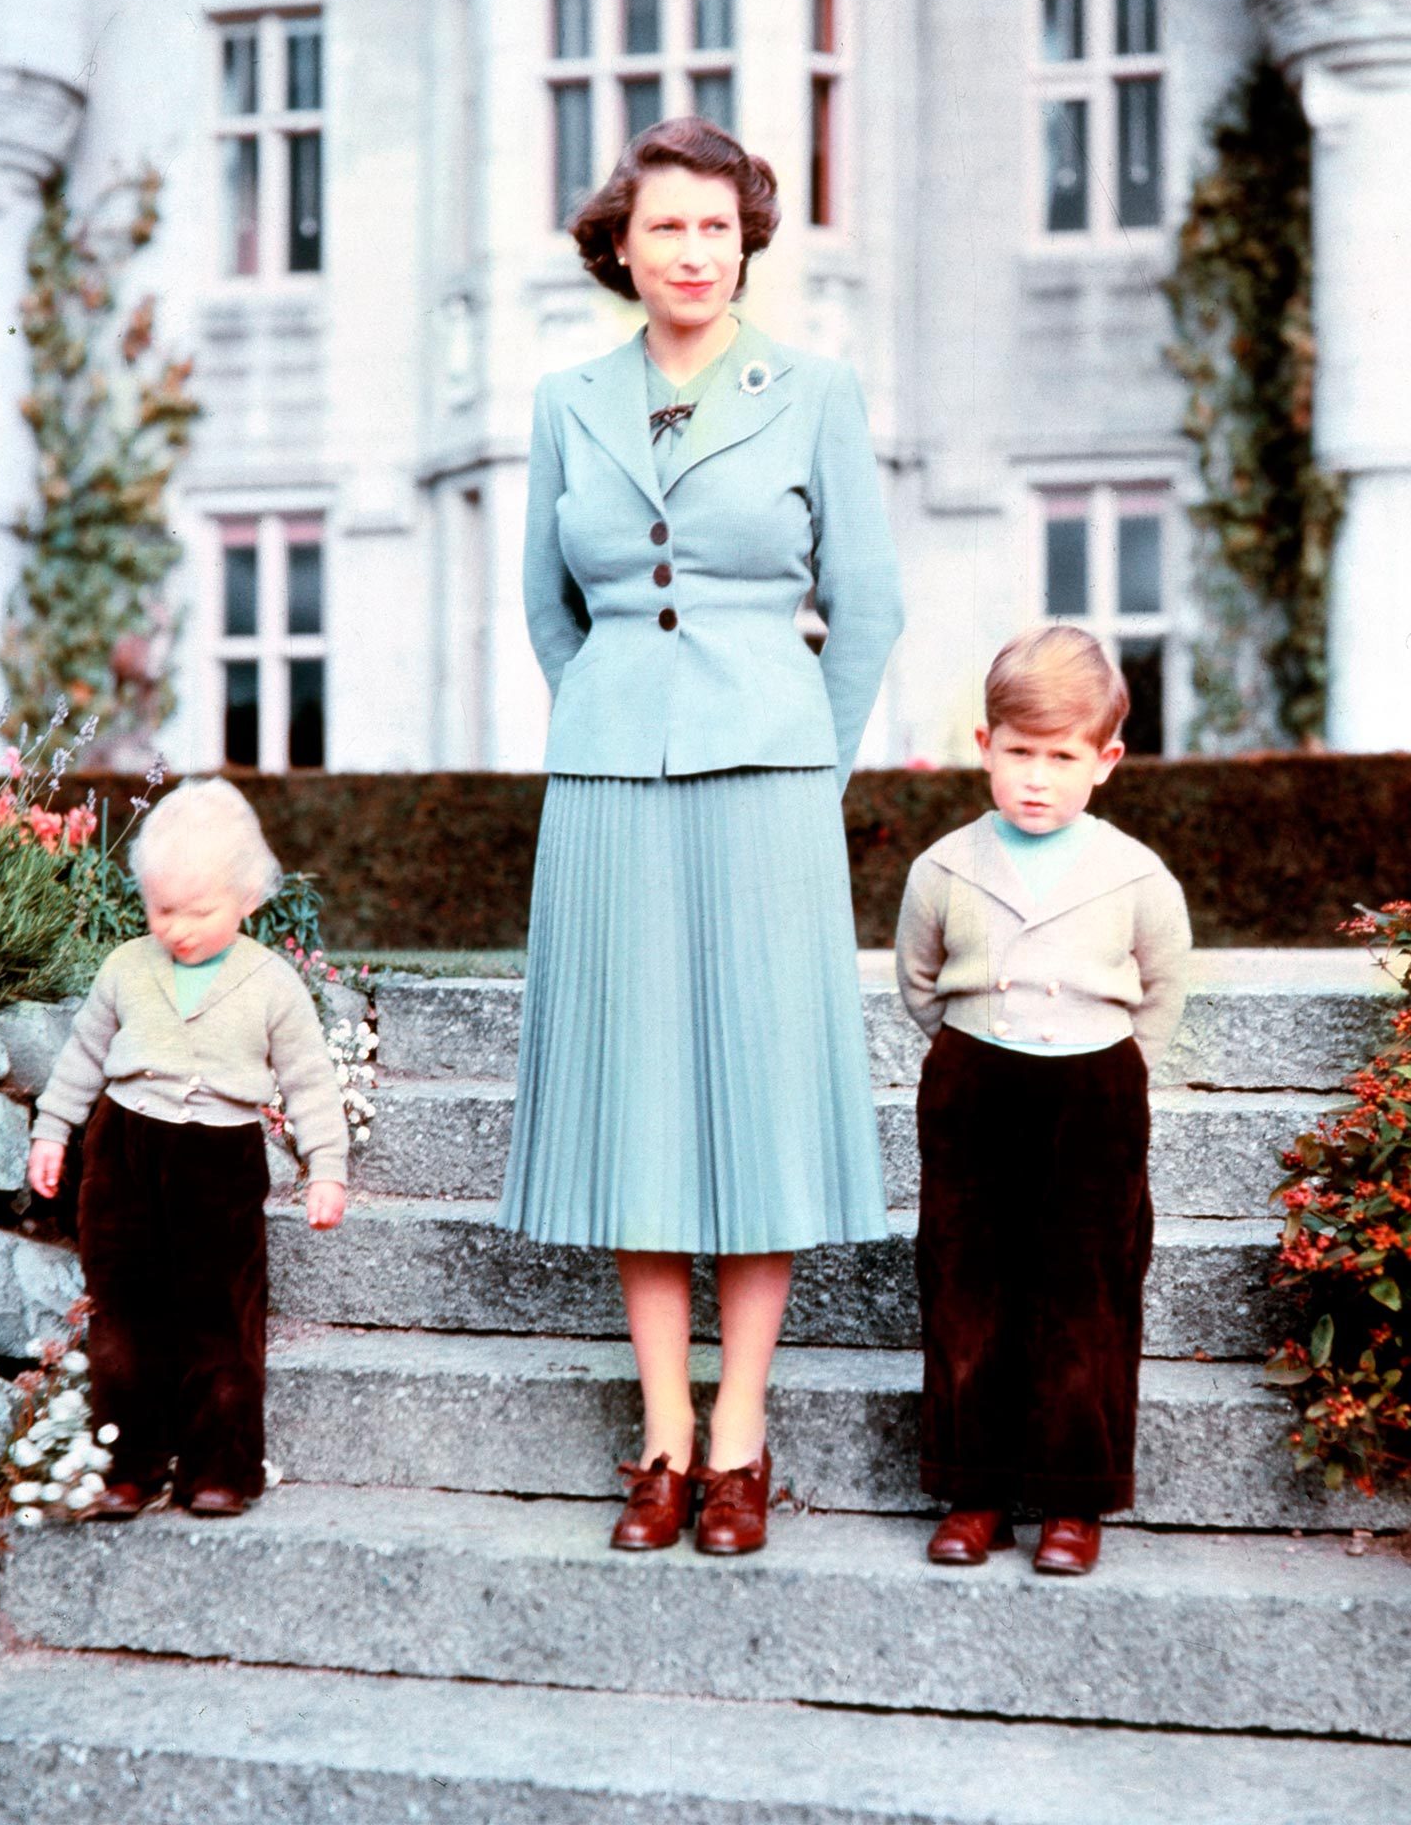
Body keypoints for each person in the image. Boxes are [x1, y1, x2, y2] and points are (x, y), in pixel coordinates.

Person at [496, 117, 903, 1556]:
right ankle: (661, 1438)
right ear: (619, 241)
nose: (693, 252)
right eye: (666, 226)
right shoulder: (565, 400)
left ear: (748, 245)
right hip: (610, 784)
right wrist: (621, 712)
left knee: (761, 1091)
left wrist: (807, 767)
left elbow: (868, 610)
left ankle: (743, 1441)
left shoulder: (815, 392)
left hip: (767, 786)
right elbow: (553, 608)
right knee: (636, 1098)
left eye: (717, 229)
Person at [895, 627, 1191, 1575]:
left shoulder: (1136, 875)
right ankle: (972, 1488)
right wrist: (977, 1046)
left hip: (1093, 1092)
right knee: (966, 1284)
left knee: (1086, 1293)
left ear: (1104, 762)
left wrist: (1104, 1062)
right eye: (1018, 752)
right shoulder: (944, 867)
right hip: (977, 1080)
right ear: (984, 746)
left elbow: (1161, 990)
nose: (1036, 778)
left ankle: (1074, 1501)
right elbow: (918, 981)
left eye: (1061, 758)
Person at [27, 778, 347, 1520]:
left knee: (219, 1316)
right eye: (161, 909)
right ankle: (129, 1461)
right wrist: (51, 1131)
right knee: (123, 1314)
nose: (176, 929)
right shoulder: (126, 969)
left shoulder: (270, 985)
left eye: (199, 911)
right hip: (123, 1150)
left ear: (247, 897)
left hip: (218, 1162)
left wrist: (324, 1167)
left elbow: (309, 1081)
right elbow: (80, 1057)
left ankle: (220, 1466)